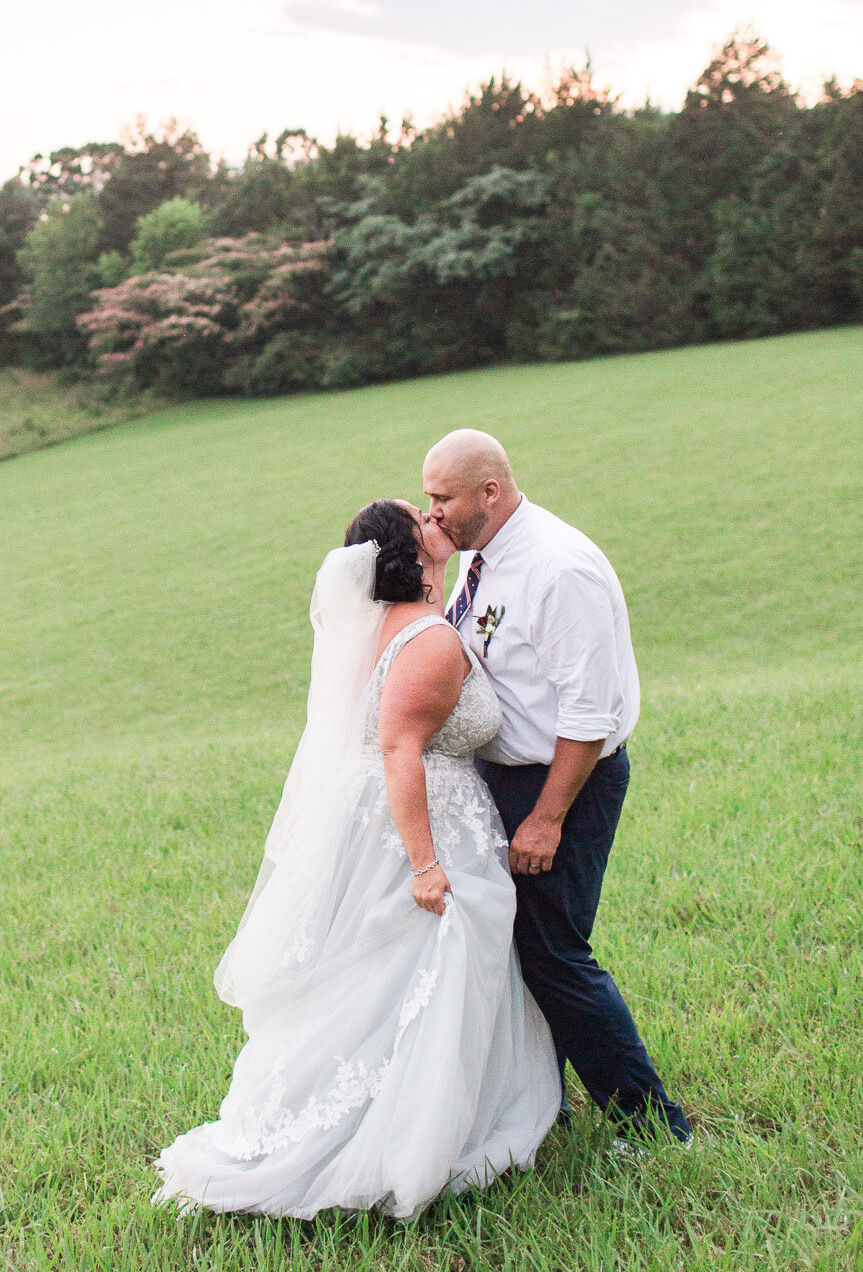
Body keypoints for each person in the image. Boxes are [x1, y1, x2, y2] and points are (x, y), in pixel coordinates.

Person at [154, 499, 560, 1219]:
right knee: (416, 975)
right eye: (424, 518)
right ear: (413, 554)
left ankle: (443, 1112)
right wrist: (425, 865)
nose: (439, 518)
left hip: (384, 821)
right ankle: (389, 1142)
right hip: (422, 827)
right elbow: (399, 749)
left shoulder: (379, 628)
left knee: (394, 977)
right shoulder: (429, 640)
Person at [423, 428, 691, 1142]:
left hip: (563, 783)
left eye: (442, 498)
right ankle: (542, 1103)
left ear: (490, 490)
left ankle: (651, 1124)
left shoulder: (556, 567)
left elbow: (587, 713)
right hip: (499, 778)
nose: (432, 513)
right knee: (509, 948)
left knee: (552, 951)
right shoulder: (477, 558)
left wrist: (545, 817)